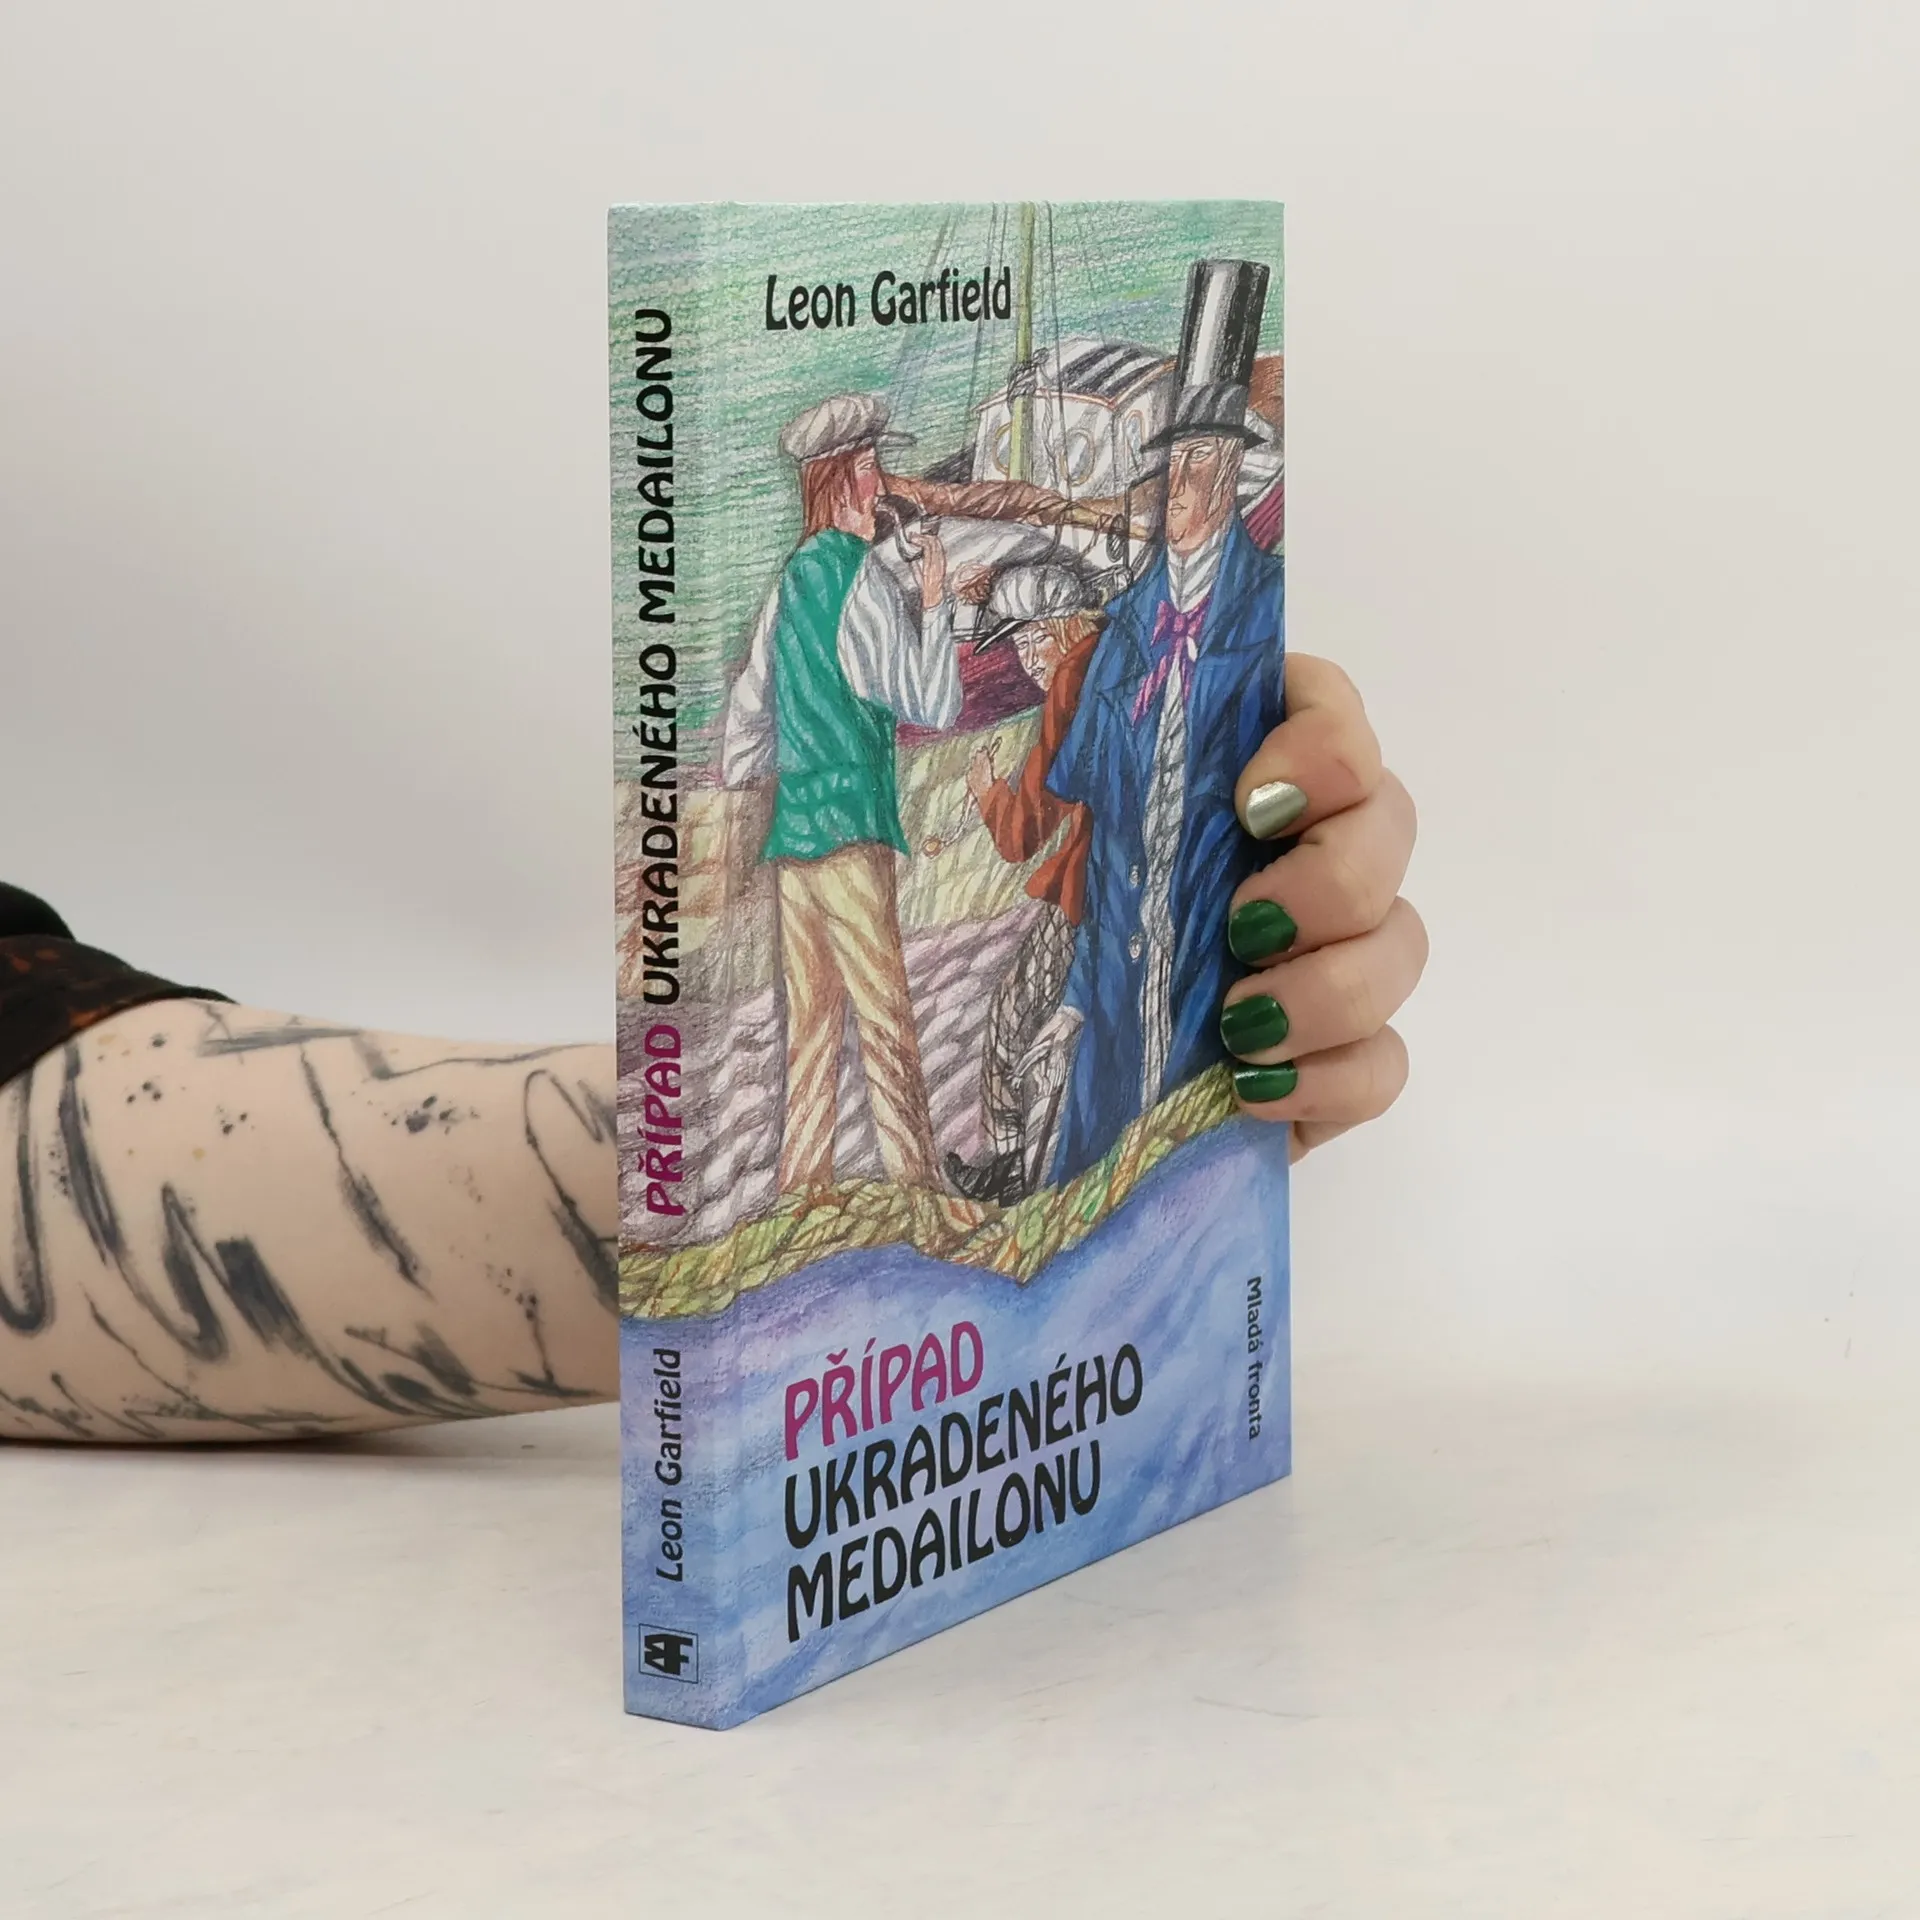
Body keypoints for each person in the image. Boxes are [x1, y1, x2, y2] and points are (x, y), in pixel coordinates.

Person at [0, 619, 1423, 1445]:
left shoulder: (813, 593)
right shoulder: (849, 588)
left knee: (840, 1046)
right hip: (844, 843)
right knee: (866, 1037)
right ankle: (886, 1200)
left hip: (814, 844)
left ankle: (862, 1202)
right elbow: (917, 698)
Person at [1033, 259, 1299, 1181]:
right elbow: (1106, 844)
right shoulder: (1124, 636)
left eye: (1198, 463)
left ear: (1233, 472)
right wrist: (1075, 999)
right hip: (1114, 1008)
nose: (1175, 486)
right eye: (1170, 465)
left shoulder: (1273, 612)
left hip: (1207, 994)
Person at [719, 393, 961, 1191]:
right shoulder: (866, 581)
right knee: (886, 1020)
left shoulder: (791, 581)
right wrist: (934, 600)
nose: (882, 485)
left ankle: (802, 1191)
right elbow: (932, 702)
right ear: (843, 481)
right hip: (854, 836)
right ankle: (920, 1190)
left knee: (812, 1028)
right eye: (870, 468)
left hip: (796, 844)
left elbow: (747, 717)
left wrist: (774, 780)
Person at [946, 563, 1103, 1202]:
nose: (1028, 660)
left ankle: (1012, 1164)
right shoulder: (1106, 661)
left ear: (1066, 627)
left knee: (1014, 1015)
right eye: (1018, 645)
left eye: (1035, 639)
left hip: (1087, 886)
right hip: (1109, 876)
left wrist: (987, 792)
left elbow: (1023, 832)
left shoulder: (1072, 677)